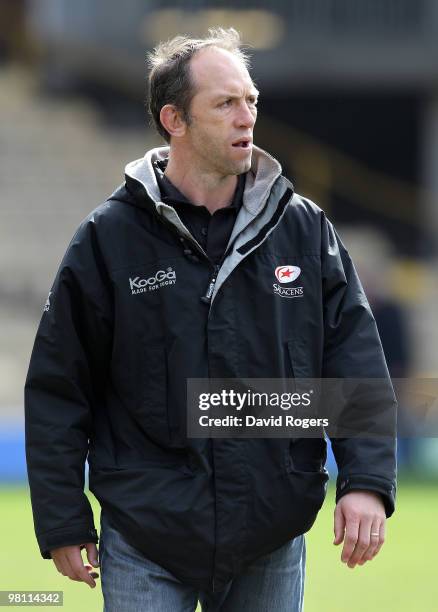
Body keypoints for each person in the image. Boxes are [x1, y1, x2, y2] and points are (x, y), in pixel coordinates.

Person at [24, 27, 397, 612]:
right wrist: (63, 518)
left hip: (271, 530)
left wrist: (367, 482)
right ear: (174, 119)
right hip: (145, 533)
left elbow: (355, 358)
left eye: (250, 100)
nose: (246, 116)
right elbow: (58, 388)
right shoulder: (108, 238)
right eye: (225, 103)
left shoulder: (303, 229)